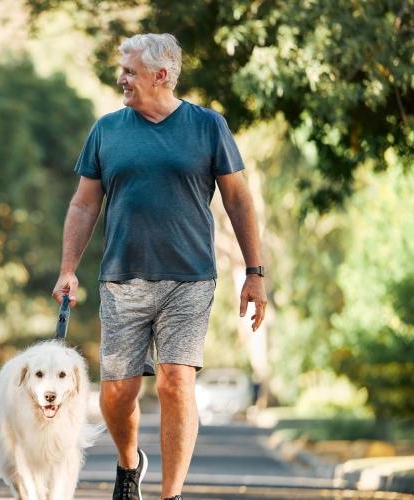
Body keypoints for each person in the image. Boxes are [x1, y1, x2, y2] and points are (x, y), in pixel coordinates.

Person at [51, 33, 267, 500]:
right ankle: (130, 464)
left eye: (129, 71)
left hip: (189, 277)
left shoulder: (207, 126)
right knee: (116, 392)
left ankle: (171, 494)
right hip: (121, 278)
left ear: (161, 75)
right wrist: (69, 268)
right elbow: (85, 206)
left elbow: (237, 199)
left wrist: (255, 271)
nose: (120, 78)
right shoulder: (107, 130)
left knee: (175, 380)